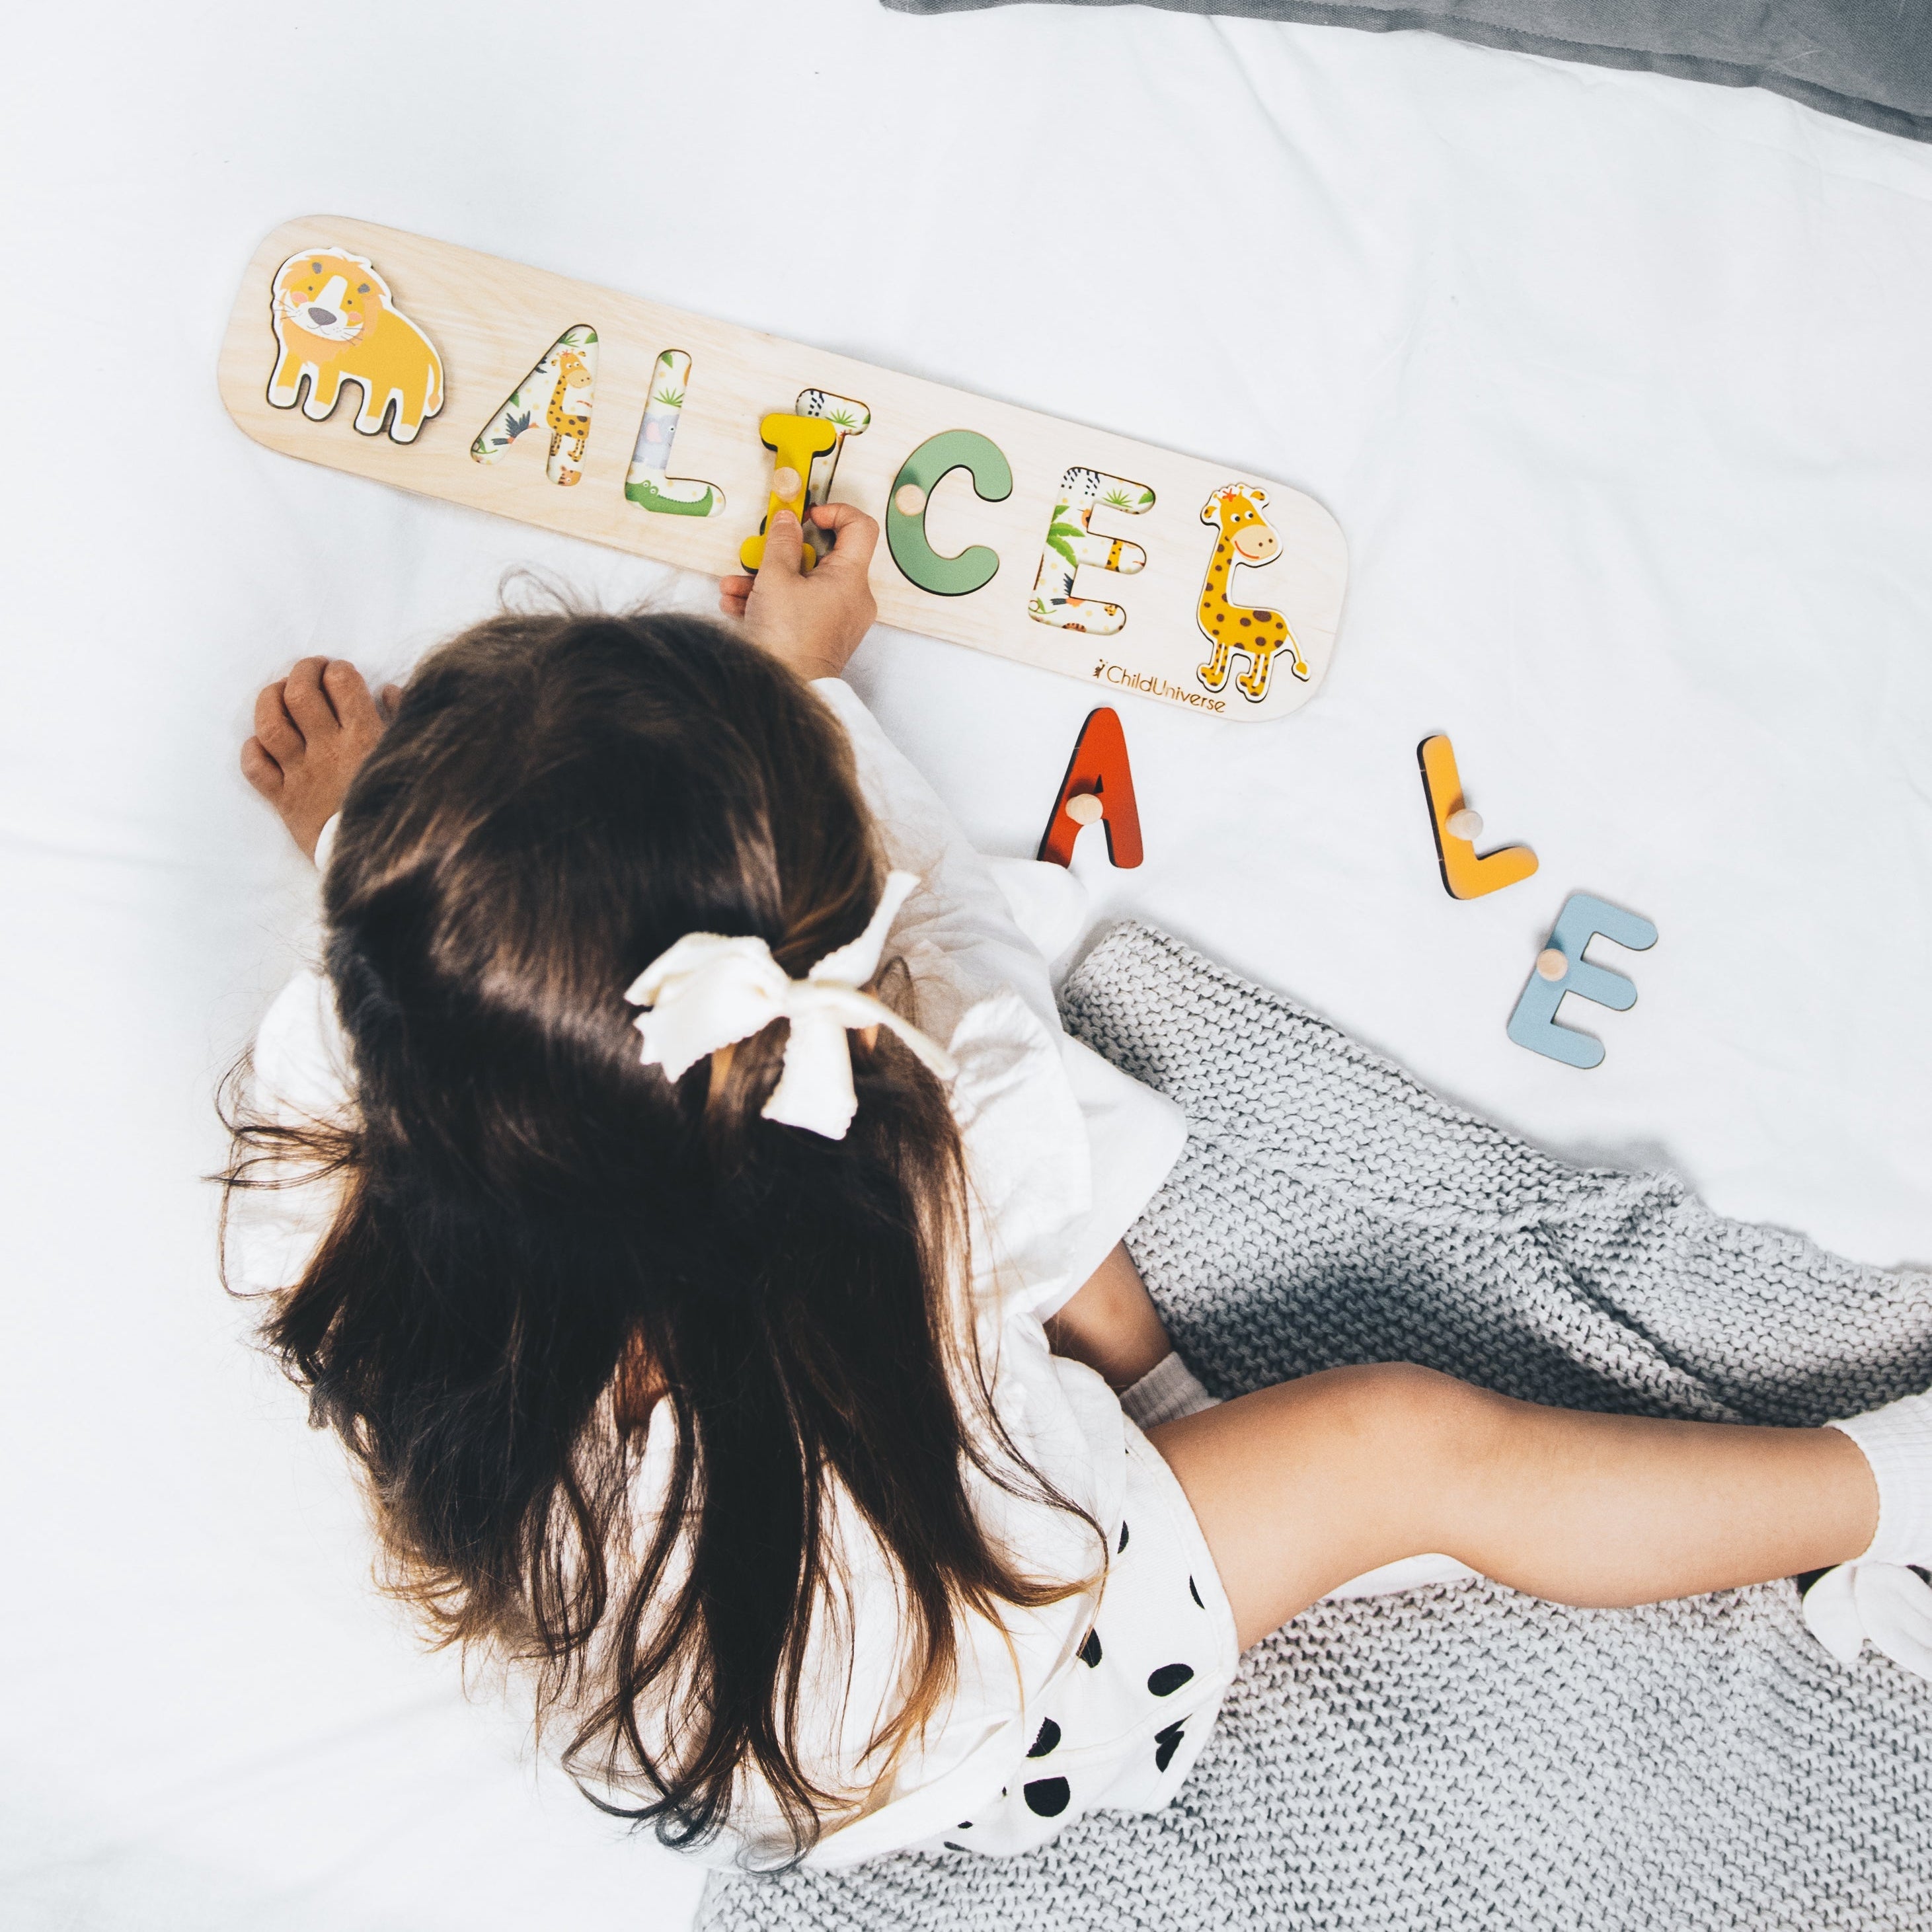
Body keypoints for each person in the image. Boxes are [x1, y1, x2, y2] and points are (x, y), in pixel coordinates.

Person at [225, 504, 1932, 1873]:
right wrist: (807, 683)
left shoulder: (329, 1186)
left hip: (789, 1699)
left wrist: (358, 840)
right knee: (1410, 1441)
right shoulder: (920, 1129)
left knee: (1059, 1301)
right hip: (1023, 1671)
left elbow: (487, 1037)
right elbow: (968, 1018)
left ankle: (1154, 1399)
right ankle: (1867, 1500)